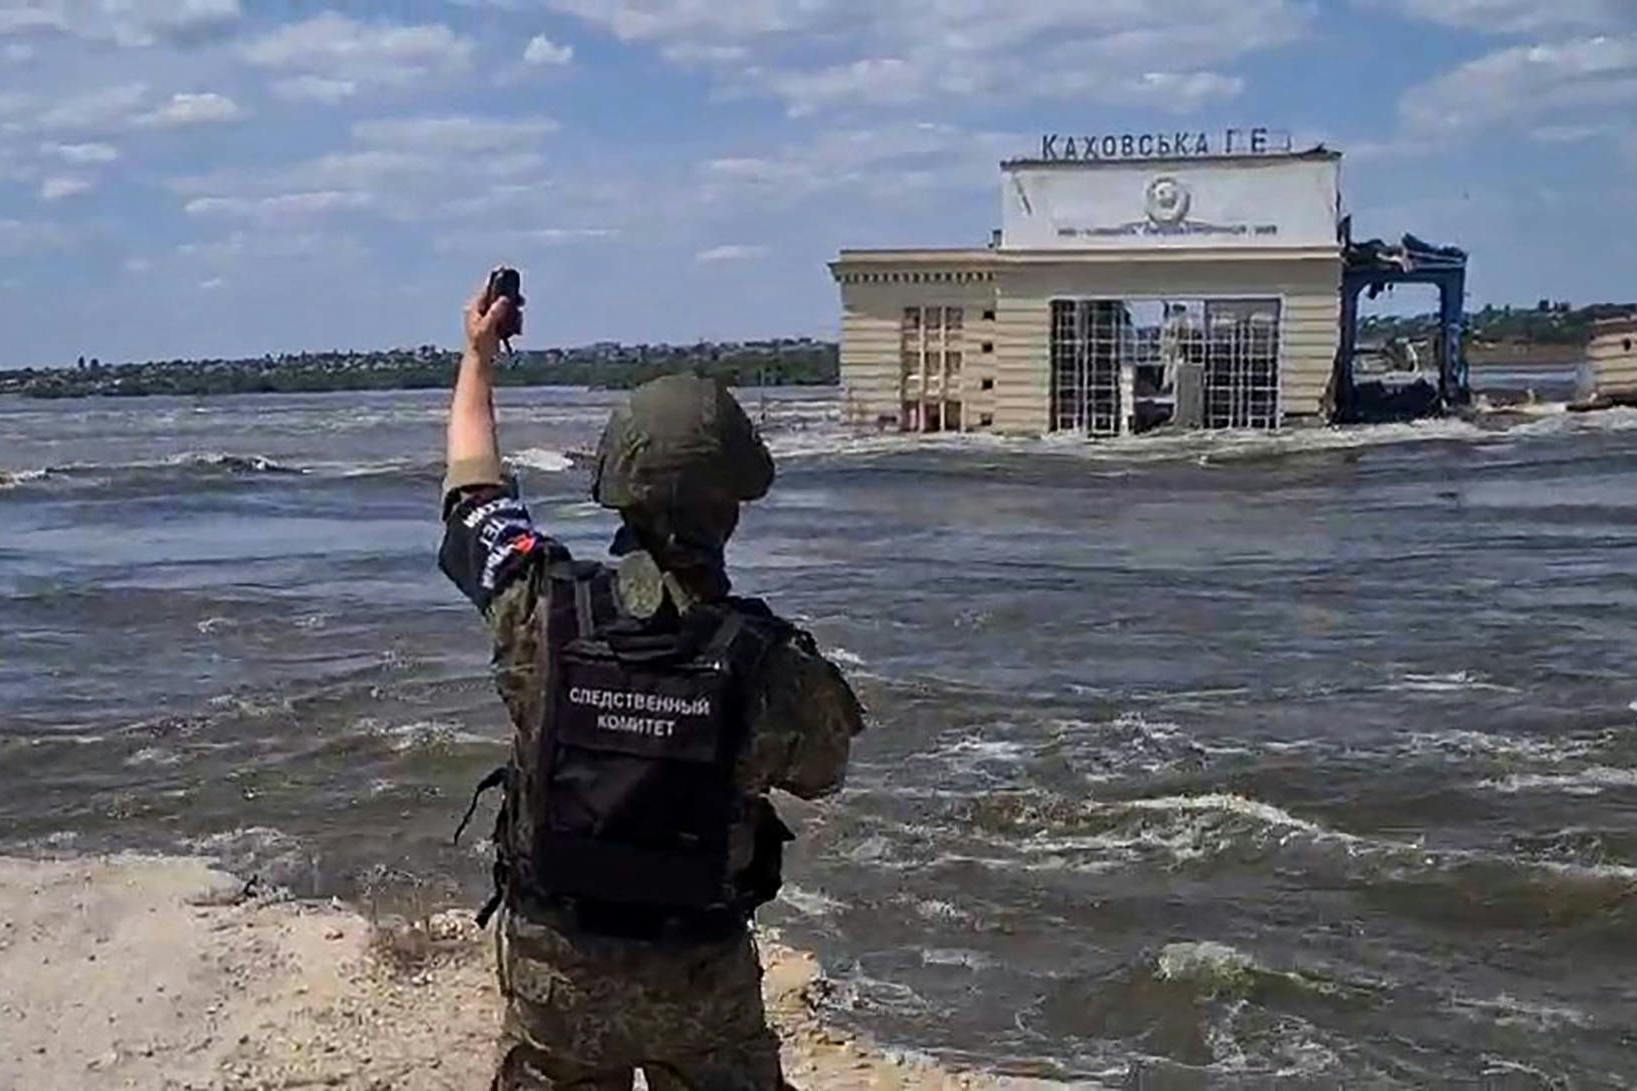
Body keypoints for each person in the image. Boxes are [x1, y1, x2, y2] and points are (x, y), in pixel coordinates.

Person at [437, 275, 865, 1090]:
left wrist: (478, 357)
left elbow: (471, 493)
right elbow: (822, 770)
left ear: (616, 487)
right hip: (700, 980)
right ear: (732, 507)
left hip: (554, 974)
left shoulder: (538, 607)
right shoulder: (767, 662)